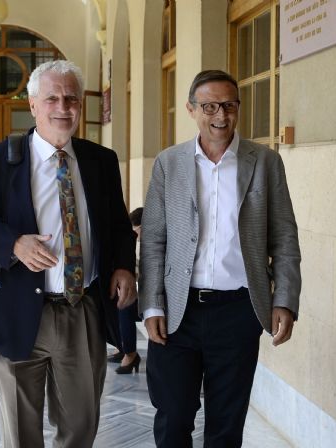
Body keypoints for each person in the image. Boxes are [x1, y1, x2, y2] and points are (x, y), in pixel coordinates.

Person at [0, 60, 137, 447]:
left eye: (71, 99)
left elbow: (118, 225)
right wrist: (14, 244)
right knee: (21, 434)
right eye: (52, 98)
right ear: (32, 105)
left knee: (80, 427)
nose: (63, 107)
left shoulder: (100, 161)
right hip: (17, 311)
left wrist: (125, 266)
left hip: (81, 310)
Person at [140, 70, 301, 447]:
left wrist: (285, 300)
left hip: (238, 311)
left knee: (226, 426)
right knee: (173, 417)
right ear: (191, 109)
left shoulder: (265, 162)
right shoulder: (168, 163)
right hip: (178, 312)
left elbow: (284, 237)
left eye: (229, 105)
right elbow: (153, 240)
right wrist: (151, 305)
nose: (221, 115)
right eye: (210, 106)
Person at [108, 207, 143, 374]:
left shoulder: (151, 244)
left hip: (153, 298)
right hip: (141, 292)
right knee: (115, 300)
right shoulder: (136, 244)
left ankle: (130, 354)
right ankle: (122, 348)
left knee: (124, 306)